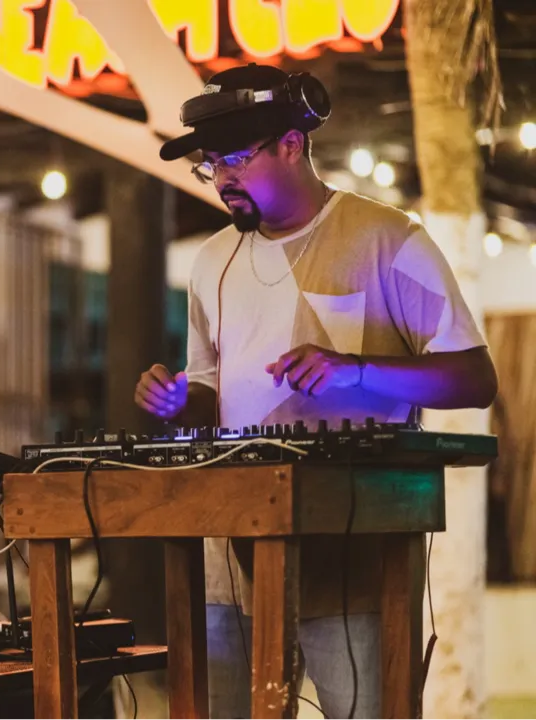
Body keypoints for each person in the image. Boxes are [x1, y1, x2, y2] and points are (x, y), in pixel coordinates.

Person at [135, 63, 498, 719]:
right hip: (230, 548)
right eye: (210, 165)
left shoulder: (388, 237)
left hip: (353, 546)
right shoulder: (211, 260)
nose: (221, 177)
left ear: (292, 144)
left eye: (235, 159)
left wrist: (355, 369)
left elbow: (474, 378)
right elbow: (208, 392)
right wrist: (177, 403)